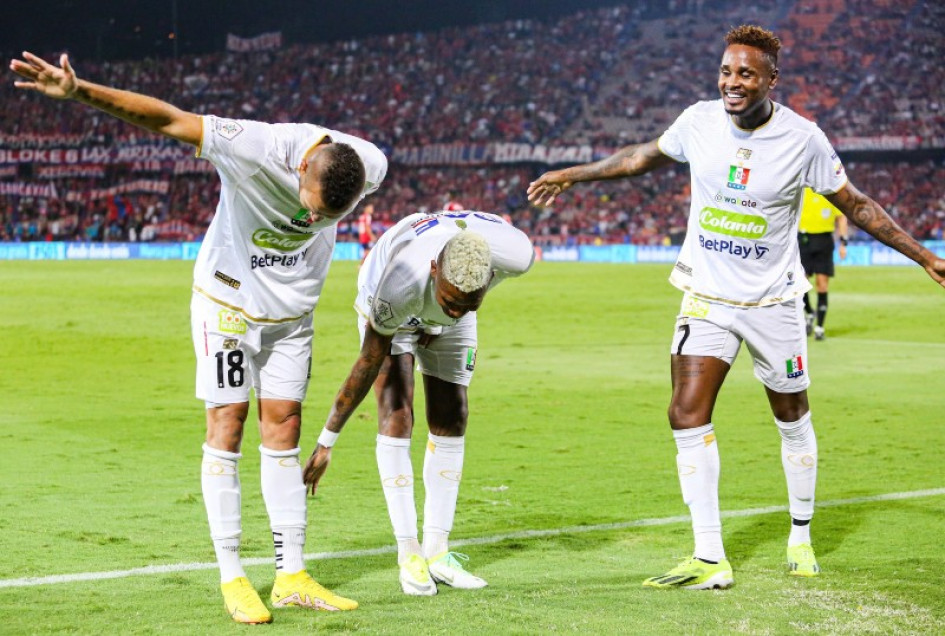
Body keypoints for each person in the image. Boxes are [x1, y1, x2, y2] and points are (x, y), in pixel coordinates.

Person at [527, 25, 945, 590]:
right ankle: (709, 556)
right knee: (685, 412)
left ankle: (800, 535)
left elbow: (858, 205)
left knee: (792, 417)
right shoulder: (698, 121)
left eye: (746, 73)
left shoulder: (803, 138)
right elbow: (639, 157)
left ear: (772, 80)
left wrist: (924, 256)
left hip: (773, 302)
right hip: (706, 296)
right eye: (726, 71)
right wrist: (570, 175)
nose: (733, 82)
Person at [10, 52, 388, 622]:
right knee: (228, 422)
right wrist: (78, 90)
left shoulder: (370, 164)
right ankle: (233, 576)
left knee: (285, 426)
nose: (313, 221)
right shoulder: (256, 147)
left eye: (325, 217)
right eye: (310, 209)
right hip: (227, 303)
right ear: (301, 169)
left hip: (292, 317)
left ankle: (291, 575)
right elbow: (168, 119)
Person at [301, 209, 534, 595]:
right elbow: (367, 362)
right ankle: (409, 553)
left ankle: (438, 552)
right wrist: (327, 441)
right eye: (449, 301)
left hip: (443, 291)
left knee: (453, 415)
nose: (455, 310)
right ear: (434, 269)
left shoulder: (515, 256)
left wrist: (444, 319)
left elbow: (458, 300)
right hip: (394, 301)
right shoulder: (399, 283)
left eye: (467, 304)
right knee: (397, 413)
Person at [799, 188, 848, 340]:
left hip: (824, 241)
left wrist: (843, 243)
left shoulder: (830, 191)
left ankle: (819, 328)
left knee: (822, 284)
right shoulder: (802, 189)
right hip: (803, 240)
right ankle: (809, 312)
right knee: (800, 283)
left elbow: (841, 217)